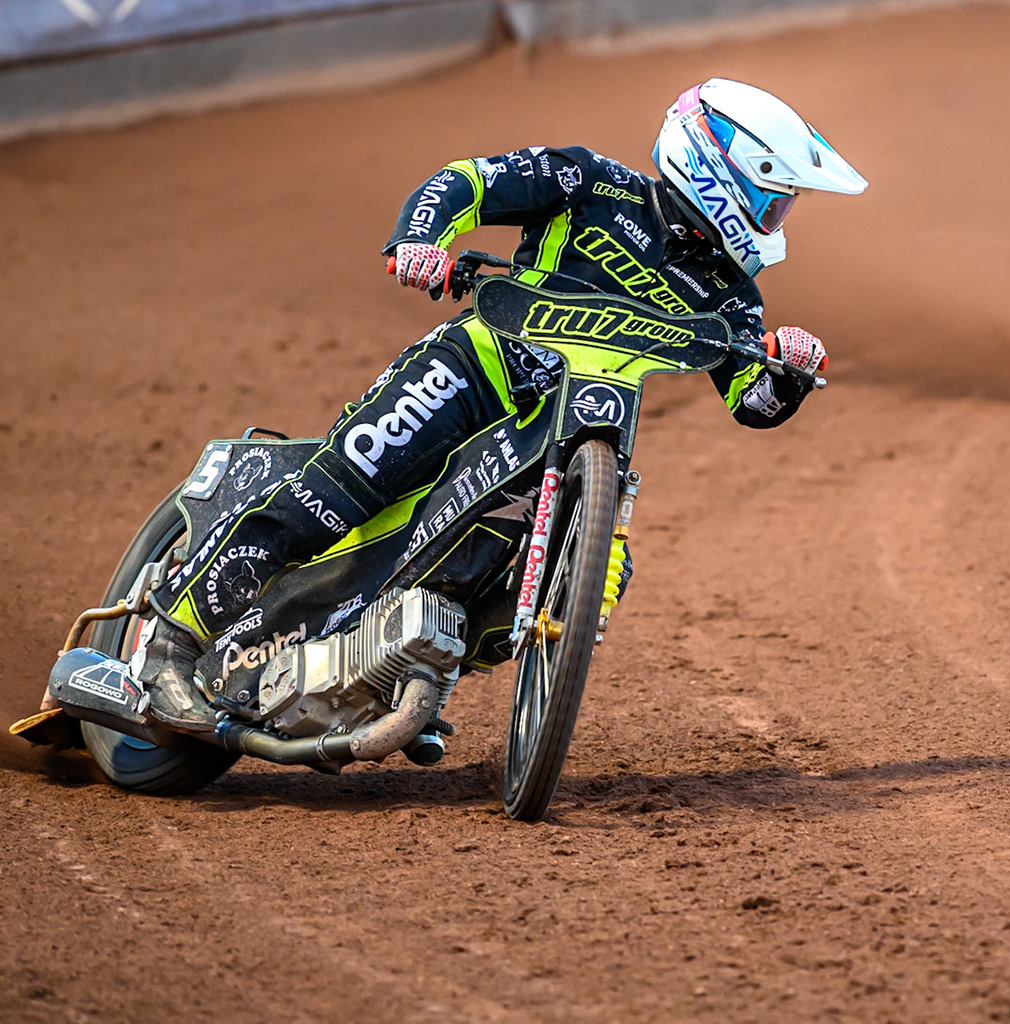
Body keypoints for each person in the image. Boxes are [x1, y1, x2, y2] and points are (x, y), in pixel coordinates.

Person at [137, 79, 867, 730]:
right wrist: (421, 242)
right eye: (774, 199)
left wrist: (790, 368)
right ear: (723, 173)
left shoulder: (732, 295)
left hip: (574, 429)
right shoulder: (590, 182)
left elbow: (753, 399)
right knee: (344, 486)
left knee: (594, 575)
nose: (777, 219)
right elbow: (466, 182)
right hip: (475, 370)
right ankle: (171, 642)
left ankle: (411, 670)